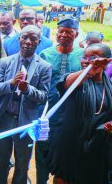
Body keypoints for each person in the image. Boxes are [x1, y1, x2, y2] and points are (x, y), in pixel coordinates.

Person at [0, 25, 52, 184]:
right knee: (0, 161)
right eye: (24, 37)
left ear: (39, 42)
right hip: (4, 119)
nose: (28, 42)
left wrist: (27, 89)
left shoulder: (44, 67)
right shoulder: (5, 62)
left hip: (26, 123)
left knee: (22, 163)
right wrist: (11, 84)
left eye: (33, 39)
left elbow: (44, 96)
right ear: (19, 39)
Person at [47, 43, 112, 184]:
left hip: (97, 146)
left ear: (106, 61)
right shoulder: (75, 79)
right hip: (70, 144)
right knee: (64, 178)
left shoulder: (110, 87)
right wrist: (89, 72)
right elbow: (65, 84)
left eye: (93, 57)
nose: (87, 61)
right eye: (85, 57)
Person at [36, 17, 84, 184]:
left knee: (65, 152)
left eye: (69, 32)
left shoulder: (82, 55)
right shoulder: (45, 54)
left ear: (76, 34)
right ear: (56, 33)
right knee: (42, 150)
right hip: (46, 111)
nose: (64, 35)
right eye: (61, 31)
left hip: (71, 113)